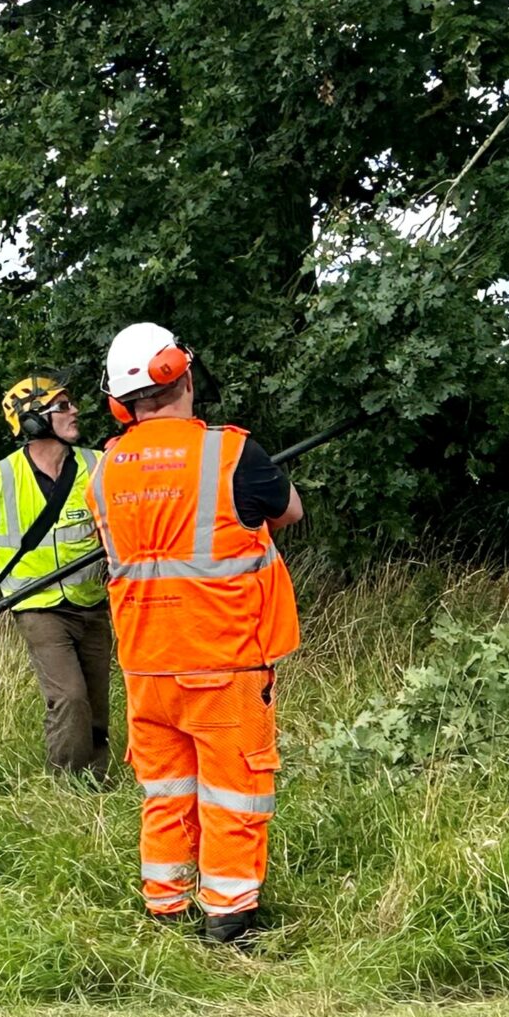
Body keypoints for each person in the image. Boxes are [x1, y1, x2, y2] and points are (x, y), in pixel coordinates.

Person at [87, 322, 302, 945]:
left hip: (146, 665)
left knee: (166, 793)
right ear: (180, 374)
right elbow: (289, 512)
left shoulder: (103, 470)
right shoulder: (231, 453)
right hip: (223, 661)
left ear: (120, 402)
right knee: (234, 792)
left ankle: (166, 908)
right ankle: (228, 921)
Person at [0, 376, 113, 776]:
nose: (74, 410)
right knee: (70, 698)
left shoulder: (98, 465)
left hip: (91, 602)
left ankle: (96, 784)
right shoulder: (0, 477)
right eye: (62, 406)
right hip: (38, 608)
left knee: (96, 702)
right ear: (33, 421)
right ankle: (67, 788)